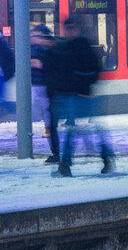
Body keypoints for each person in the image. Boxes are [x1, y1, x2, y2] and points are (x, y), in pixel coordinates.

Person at [47, 17, 115, 177]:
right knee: (87, 130)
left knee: (77, 131)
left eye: (70, 29)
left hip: (80, 95)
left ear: (75, 29)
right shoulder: (75, 46)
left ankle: (67, 165)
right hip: (78, 95)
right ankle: (105, 158)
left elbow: (88, 71)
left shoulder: (80, 47)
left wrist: (80, 86)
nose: (67, 32)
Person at [30, 24, 55, 138]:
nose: (34, 38)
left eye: (36, 36)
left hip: (44, 82)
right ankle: (26, 128)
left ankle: (49, 129)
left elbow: (50, 65)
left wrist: (40, 64)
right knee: (34, 106)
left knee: (46, 108)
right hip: (35, 81)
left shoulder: (47, 48)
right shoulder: (32, 48)